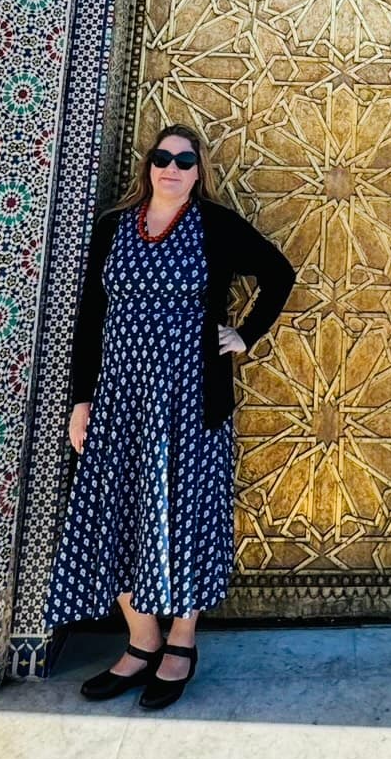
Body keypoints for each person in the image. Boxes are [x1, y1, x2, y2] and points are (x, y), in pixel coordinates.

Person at [46, 122, 295, 709]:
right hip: (118, 401)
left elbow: (278, 273)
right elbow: (90, 320)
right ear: (148, 166)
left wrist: (245, 334)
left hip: (190, 404)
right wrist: (82, 401)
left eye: (185, 161)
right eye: (162, 158)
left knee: (185, 516)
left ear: (198, 171)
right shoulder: (113, 227)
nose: (172, 169)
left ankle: (182, 640)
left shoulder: (214, 224)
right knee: (115, 510)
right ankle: (141, 641)